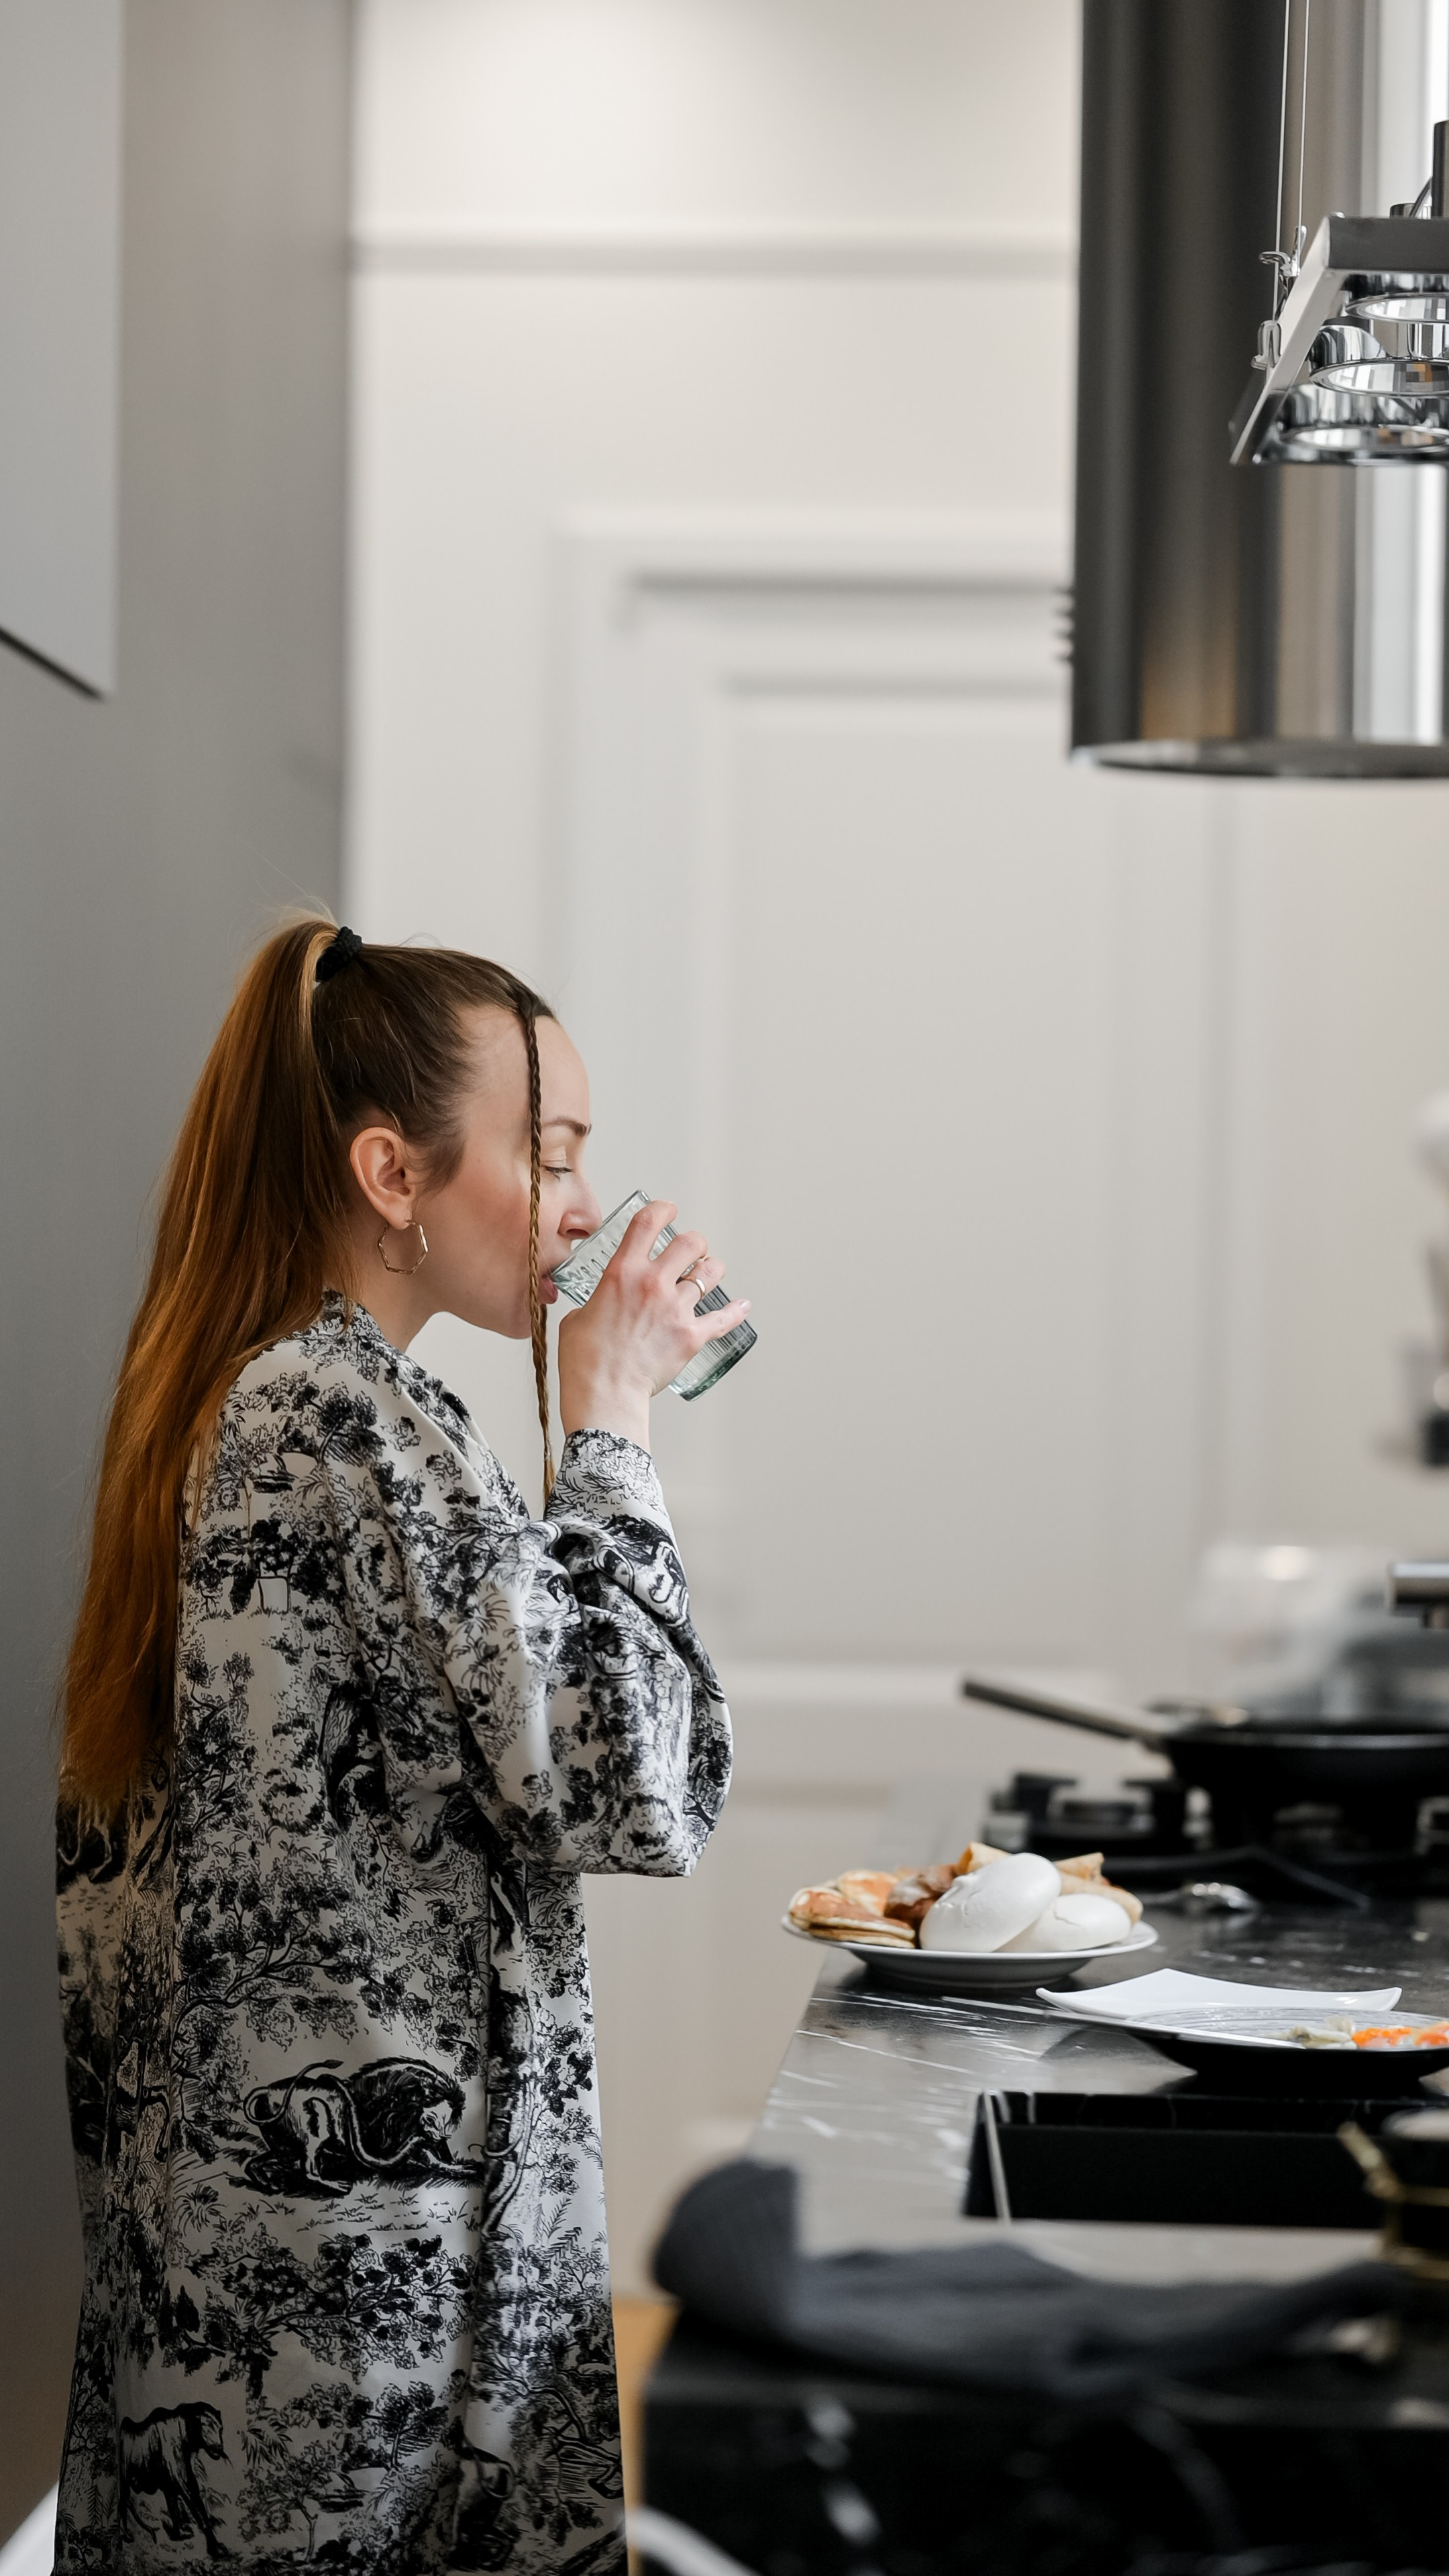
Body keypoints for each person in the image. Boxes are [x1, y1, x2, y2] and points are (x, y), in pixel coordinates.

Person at [54, 920, 745, 2575]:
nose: (586, 1209)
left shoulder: (259, 1396)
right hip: (368, 2318)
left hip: (265, 2281)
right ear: (394, 1173)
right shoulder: (344, 1416)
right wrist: (616, 1421)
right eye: (551, 1153)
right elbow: (635, 1780)